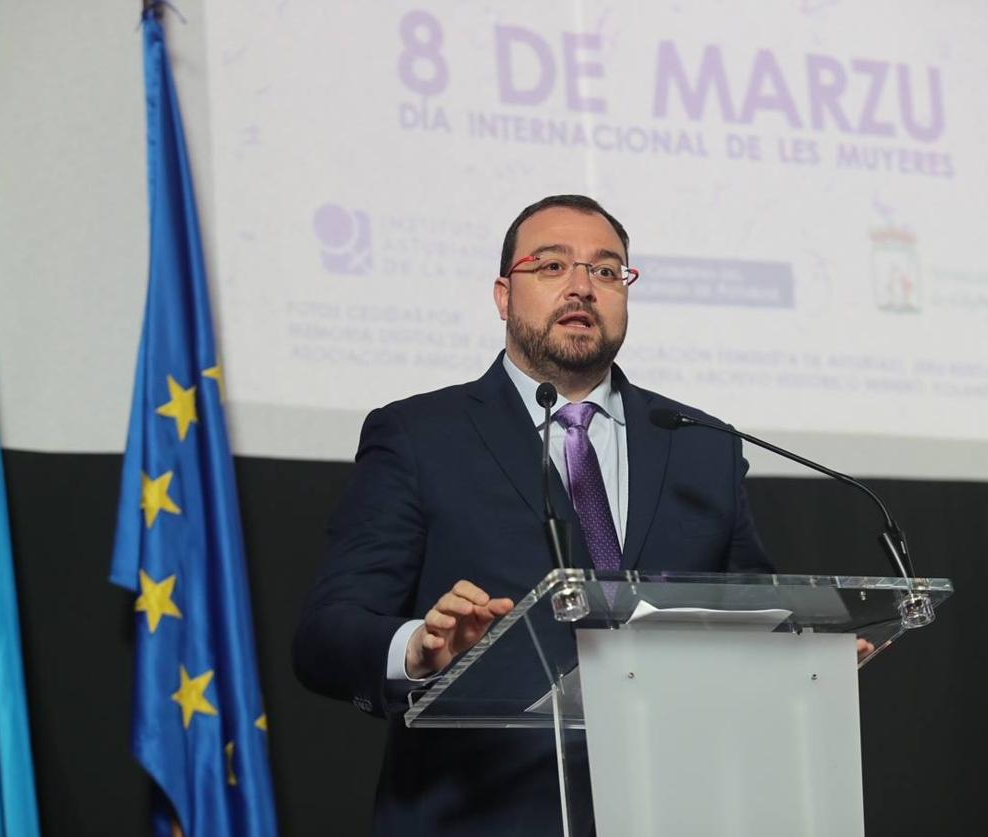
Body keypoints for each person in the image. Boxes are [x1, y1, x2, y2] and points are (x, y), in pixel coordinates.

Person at [293, 195, 773, 836]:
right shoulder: (419, 436)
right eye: (551, 267)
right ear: (502, 294)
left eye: (606, 271)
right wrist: (420, 650)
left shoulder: (703, 444)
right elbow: (326, 634)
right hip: (485, 814)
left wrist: (800, 654)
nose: (581, 286)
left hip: (673, 809)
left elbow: (752, 606)